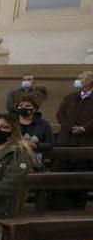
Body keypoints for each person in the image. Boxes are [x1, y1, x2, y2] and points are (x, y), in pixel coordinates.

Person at [53, 71, 93, 210]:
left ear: (89, 81)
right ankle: (59, 204)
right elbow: (60, 114)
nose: (77, 80)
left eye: (80, 78)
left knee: (81, 175)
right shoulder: (70, 97)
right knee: (61, 171)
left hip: (86, 142)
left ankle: (77, 206)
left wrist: (84, 128)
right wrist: (70, 127)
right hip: (66, 140)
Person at [15, 94, 53, 171]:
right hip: (14, 158)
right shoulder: (11, 121)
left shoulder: (43, 124)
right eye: (21, 106)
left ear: (35, 109)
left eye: (27, 106)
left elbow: (50, 144)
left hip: (35, 161)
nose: (23, 108)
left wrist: (36, 145)